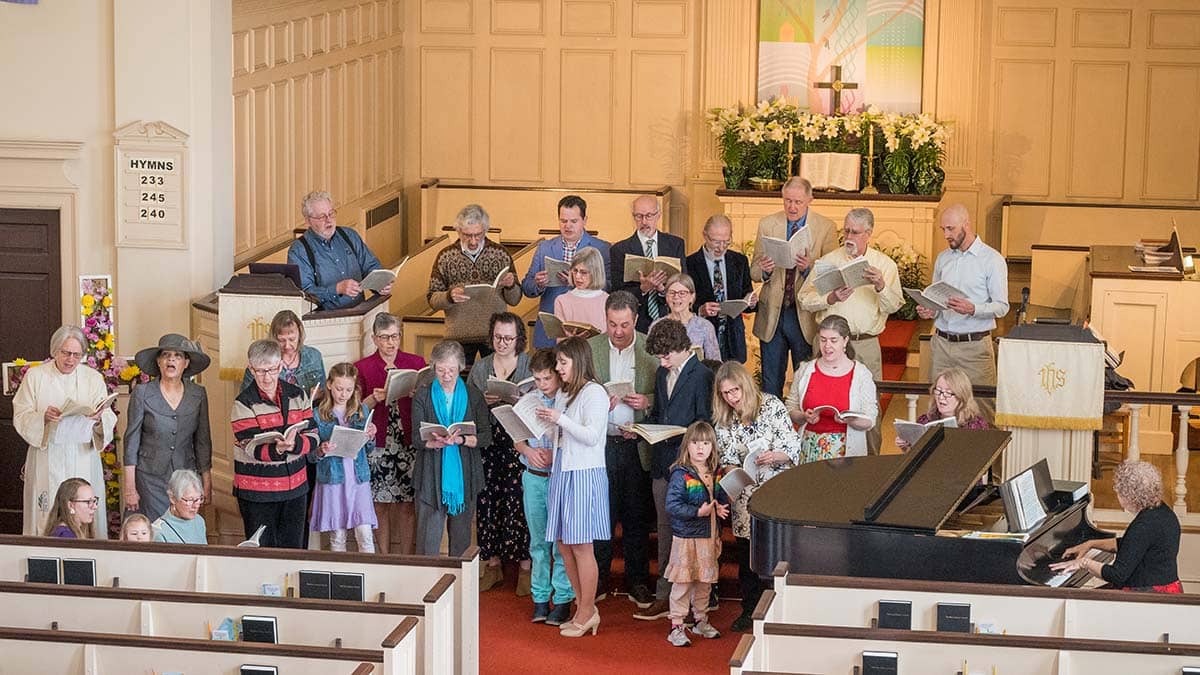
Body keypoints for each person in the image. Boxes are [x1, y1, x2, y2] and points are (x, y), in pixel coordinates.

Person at [798, 208, 901, 454]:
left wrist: (880, 286)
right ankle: (821, 459)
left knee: (869, 405)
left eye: (855, 232)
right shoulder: (829, 261)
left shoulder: (884, 265)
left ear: (869, 233)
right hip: (829, 344)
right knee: (824, 401)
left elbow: (894, 305)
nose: (849, 237)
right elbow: (804, 299)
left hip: (865, 342)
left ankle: (871, 464)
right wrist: (830, 298)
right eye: (846, 231)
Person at [711, 361, 801, 631]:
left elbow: (791, 445)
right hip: (745, 495)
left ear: (745, 386)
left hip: (775, 489)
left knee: (775, 552)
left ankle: (777, 609)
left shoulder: (771, 405)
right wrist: (732, 469)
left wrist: (775, 455)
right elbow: (725, 458)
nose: (732, 398)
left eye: (735, 391)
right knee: (746, 555)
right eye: (725, 393)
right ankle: (748, 608)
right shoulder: (725, 417)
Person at [636, 319, 715, 622]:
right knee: (666, 530)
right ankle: (664, 595)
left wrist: (679, 438)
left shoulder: (702, 375)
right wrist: (643, 425)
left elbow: (705, 423)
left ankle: (700, 602)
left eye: (667, 355)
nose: (662, 361)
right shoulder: (661, 372)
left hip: (690, 466)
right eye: (659, 356)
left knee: (693, 533)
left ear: (683, 347)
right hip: (661, 461)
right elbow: (659, 413)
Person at [587, 291, 658, 609]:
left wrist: (647, 401)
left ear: (636, 321)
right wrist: (598, 399)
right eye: (613, 324)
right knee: (602, 516)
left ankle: (638, 581)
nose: (618, 331)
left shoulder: (649, 348)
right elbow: (577, 391)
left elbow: (664, 397)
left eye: (625, 325)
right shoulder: (592, 348)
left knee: (636, 519)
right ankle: (599, 578)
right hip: (602, 444)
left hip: (636, 444)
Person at [537, 337, 610, 638]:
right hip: (563, 470)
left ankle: (587, 611)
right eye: (558, 362)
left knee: (582, 546)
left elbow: (592, 436)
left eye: (563, 363)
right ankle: (583, 606)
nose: (558, 368)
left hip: (584, 473)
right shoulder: (566, 393)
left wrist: (560, 419)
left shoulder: (595, 392)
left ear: (578, 361)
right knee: (564, 546)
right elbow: (562, 431)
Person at [14, 325, 117, 537]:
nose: (70, 359)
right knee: (46, 510)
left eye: (77, 355)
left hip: (82, 455)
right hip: (48, 454)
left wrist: (98, 420)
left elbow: (107, 415)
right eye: (66, 353)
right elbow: (21, 414)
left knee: (83, 508)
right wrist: (43, 417)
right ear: (55, 350)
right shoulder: (36, 377)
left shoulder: (93, 378)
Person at [750, 177, 839, 397]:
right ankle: (772, 429)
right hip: (773, 312)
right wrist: (766, 269)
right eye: (787, 201)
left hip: (805, 314)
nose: (792, 207)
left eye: (798, 202)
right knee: (771, 382)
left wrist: (810, 268)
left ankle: (803, 430)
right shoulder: (768, 224)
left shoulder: (826, 227)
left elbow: (832, 277)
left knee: (806, 380)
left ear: (810, 199)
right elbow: (753, 271)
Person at [466, 313, 533, 593]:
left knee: (519, 501)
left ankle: (526, 568)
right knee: (488, 500)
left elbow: (542, 398)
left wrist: (519, 399)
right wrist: (481, 401)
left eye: (508, 338)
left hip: (519, 438)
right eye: (497, 337)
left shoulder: (528, 364)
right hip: (490, 440)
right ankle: (492, 564)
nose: (502, 343)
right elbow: (467, 404)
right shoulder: (481, 367)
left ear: (519, 339)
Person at [231, 339, 319, 548]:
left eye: (271, 370)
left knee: (294, 550)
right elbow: (249, 445)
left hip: (296, 487)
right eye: (260, 371)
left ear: (280, 366)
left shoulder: (298, 395)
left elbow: (314, 435)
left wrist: (295, 444)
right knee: (262, 554)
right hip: (257, 491)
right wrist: (277, 449)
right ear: (251, 369)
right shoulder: (243, 403)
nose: (267, 377)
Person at [916, 204, 1009, 400]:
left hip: (974, 347)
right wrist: (930, 310)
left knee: (982, 407)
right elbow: (936, 298)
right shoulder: (943, 259)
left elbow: (1002, 306)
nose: (946, 235)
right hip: (942, 344)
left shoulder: (992, 259)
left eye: (951, 229)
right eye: (943, 229)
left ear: (966, 225)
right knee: (939, 405)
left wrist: (973, 308)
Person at [411, 340, 492, 557]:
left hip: (465, 473)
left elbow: (485, 436)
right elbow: (415, 439)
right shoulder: (423, 395)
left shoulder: (474, 396)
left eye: (452, 370)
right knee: (428, 541)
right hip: (430, 473)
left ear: (461, 368)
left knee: (461, 542)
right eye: (441, 370)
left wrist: (462, 440)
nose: (446, 375)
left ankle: (459, 589)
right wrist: (433, 442)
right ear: (433, 367)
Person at [355, 312, 426, 554]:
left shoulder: (416, 363)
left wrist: (419, 396)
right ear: (375, 339)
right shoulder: (362, 367)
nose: (391, 343)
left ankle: (407, 558)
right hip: (379, 442)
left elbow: (429, 402)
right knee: (380, 504)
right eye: (385, 337)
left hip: (408, 441)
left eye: (395, 336)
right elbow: (355, 413)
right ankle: (384, 556)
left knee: (408, 504)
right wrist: (373, 399)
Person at [1051, 461, 1181, 593]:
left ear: (1130, 495)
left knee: (1079, 600)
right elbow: (1131, 546)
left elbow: (1117, 575)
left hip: (1147, 595)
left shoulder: (1143, 525)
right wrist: (1090, 544)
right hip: (1166, 589)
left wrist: (1084, 563)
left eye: (1119, 492)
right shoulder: (1164, 513)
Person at [514, 348, 575, 626]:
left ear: (558, 375)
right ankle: (540, 598)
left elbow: (576, 439)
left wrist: (555, 454)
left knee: (560, 544)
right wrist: (527, 451)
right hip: (534, 474)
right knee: (538, 542)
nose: (542, 384)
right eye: (537, 379)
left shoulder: (568, 399)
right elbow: (518, 438)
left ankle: (562, 599)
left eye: (547, 378)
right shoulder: (530, 399)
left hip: (559, 476)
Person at [125, 333, 213, 522]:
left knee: (183, 530)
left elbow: (203, 442)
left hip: (186, 477)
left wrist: (207, 482)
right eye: (165, 355)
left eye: (178, 355)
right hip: (149, 478)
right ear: (158, 361)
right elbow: (131, 442)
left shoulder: (198, 394)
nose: (171, 359)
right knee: (154, 530)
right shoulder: (142, 393)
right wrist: (130, 487)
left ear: (186, 363)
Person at [427, 204, 522, 364]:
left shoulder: (501, 254)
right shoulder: (445, 257)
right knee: (457, 380)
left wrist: (511, 285)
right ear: (458, 231)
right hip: (458, 335)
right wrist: (449, 296)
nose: (472, 241)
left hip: (495, 335)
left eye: (478, 235)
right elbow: (432, 300)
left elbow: (515, 299)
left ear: (485, 230)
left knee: (496, 379)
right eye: (467, 235)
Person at [663, 422, 730, 647]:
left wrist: (720, 506)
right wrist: (696, 511)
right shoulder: (681, 474)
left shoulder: (715, 472)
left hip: (709, 537)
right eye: (695, 443)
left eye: (705, 443)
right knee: (683, 582)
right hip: (687, 538)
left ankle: (700, 619)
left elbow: (718, 497)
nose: (700, 448)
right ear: (686, 446)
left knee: (705, 582)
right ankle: (677, 625)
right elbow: (672, 505)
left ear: (713, 446)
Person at [785, 315, 878, 461]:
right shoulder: (805, 370)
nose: (827, 346)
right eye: (823, 340)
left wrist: (850, 420)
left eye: (833, 340)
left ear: (845, 340)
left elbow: (870, 419)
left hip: (846, 450)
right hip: (808, 448)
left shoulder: (861, 374)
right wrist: (804, 416)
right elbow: (791, 408)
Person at [522, 195, 611, 348]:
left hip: (585, 328)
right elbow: (527, 287)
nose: (567, 226)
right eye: (563, 221)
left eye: (573, 221)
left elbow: (608, 286)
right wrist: (538, 284)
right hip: (550, 330)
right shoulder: (544, 248)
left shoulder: (602, 248)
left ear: (585, 220)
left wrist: (576, 282)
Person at [311, 363, 378, 553]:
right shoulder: (318, 414)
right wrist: (321, 450)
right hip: (333, 479)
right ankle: (339, 577)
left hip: (358, 477)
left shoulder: (362, 410)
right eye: (339, 389)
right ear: (330, 385)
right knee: (337, 536)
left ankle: (370, 574)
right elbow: (311, 455)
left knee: (365, 533)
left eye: (349, 390)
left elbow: (369, 448)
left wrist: (371, 435)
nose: (343, 394)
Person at [288, 190, 390, 310]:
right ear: (308, 221)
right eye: (322, 217)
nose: (329, 220)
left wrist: (380, 283)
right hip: (326, 319)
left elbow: (370, 265)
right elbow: (305, 295)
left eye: (331, 213)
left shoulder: (349, 236)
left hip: (361, 310)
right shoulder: (299, 251)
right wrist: (336, 289)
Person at [608, 195, 686, 332]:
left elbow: (684, 283)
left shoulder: (675, 244)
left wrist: (663, 290)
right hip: (637, 320)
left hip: (669, 316)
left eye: (649, 215)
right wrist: (643, 289)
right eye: (639, 216)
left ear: (658, 215)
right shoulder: (620, 249)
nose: (644, 221)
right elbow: (617, 293)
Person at [687, 214, 757, 363]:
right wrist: (700, 310)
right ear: (705, 236)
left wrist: (751, 302)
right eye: (716, 242)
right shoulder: (689, 263)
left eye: (726, 242)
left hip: (733, 338)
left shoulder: (739, 261)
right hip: (703, 337)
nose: (721, 247)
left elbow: (746, 294)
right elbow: (681, 303)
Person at [896, 367, 990, 452]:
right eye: (938, 391)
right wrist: (906, 447)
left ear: (961, 396)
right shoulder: (925, 420)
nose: (941, 397)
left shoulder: (977, 425)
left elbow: (980, 458)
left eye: (948, 393)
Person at [241, 310, 327, 396]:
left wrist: (318, 395)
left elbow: (325, 395)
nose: (287, 346)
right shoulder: (260, 360)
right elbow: (245, 400)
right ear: (274, 337)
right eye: (281, 340)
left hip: (310, 408)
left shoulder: (314, 356)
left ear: (300, 334)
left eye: (292, 339)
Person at [651, 273, 720, 361]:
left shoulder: (705, 326)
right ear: (666, 296)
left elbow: (714, 363)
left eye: (682, 293)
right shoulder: (656, 325)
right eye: (671, 293)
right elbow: (651, 361)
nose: (676, 297)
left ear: (692, 297)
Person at [553, 247, 609, 336]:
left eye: (583, 272)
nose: (577, 277)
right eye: (575, 271)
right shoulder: (562, 300)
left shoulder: (608, 300)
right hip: (571, 349)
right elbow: (560, 340)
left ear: (595, 273)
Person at [152, 469, 208, 544]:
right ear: (173, 498)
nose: (195, 506)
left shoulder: (199, 521)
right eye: (189, 500)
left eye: (198, 499)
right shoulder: (159, 531)